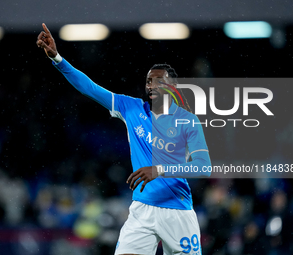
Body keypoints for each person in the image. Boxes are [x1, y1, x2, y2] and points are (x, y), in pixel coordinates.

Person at [37, 23, 211, 255]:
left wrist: (158, 170)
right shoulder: (131, 108)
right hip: (142, 210)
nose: (151, 86)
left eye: (159, 81)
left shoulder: (187, 121)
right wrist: (58, 59)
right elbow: (89, 88)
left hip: (177, 211)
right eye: (149, 81)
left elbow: (203, 167)